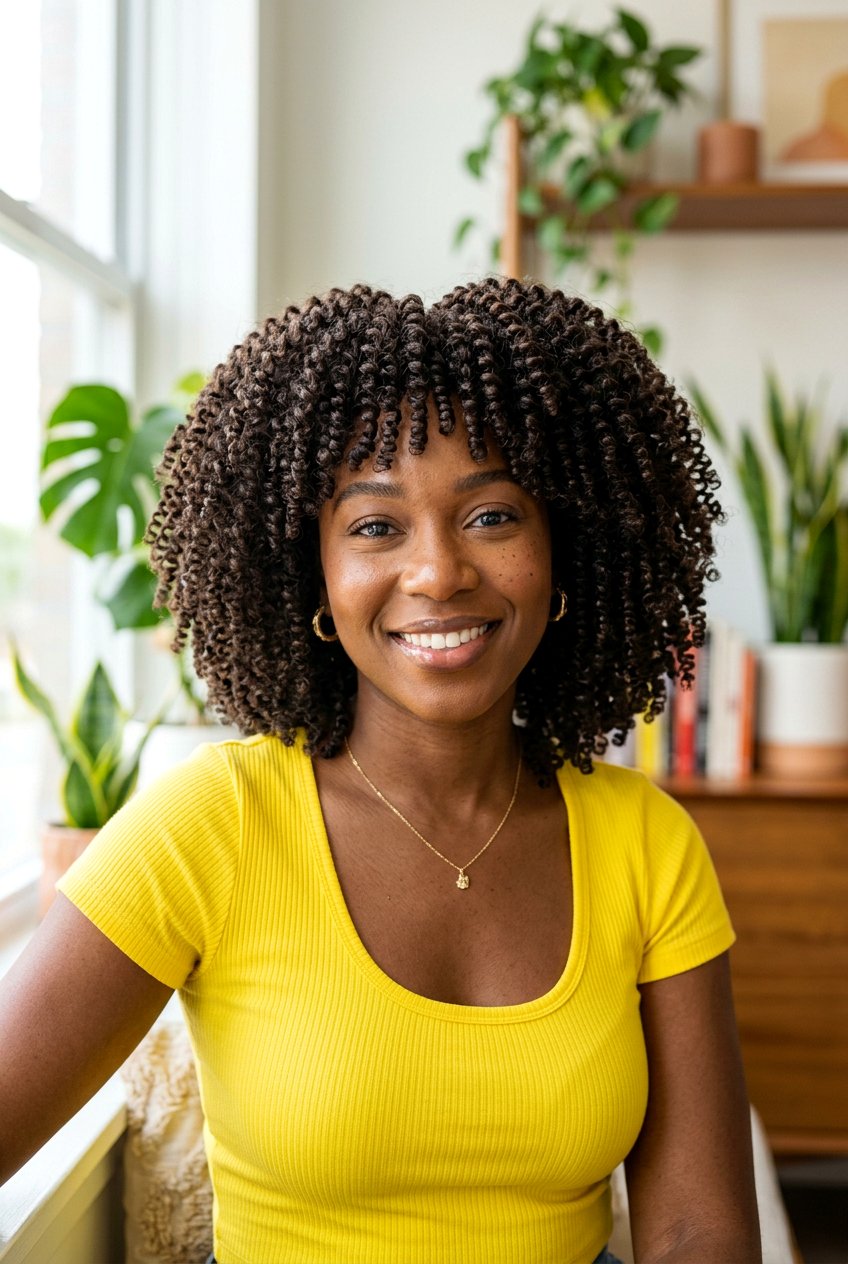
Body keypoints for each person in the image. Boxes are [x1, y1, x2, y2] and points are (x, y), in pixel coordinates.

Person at [0, 278, 762, 1264]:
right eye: (374, 525)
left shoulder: (646, 840)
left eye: (492, 515)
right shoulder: (212, 822)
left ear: (562, 549)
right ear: (310, 572)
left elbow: (699, 1231)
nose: (438, 571)